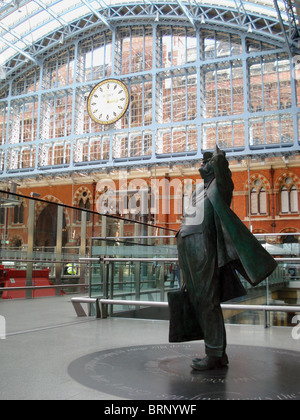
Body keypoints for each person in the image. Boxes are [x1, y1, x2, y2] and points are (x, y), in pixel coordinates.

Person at [176, 146, 277, 371]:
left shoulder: (220, 187)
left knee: (207, 300)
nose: (201, 164)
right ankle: (216, 352)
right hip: (190, 250)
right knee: (199, 300)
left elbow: (221, 165)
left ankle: (214, 354)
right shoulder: (198, 191)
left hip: (205, 249)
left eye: (206, 162)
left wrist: (216, 156)